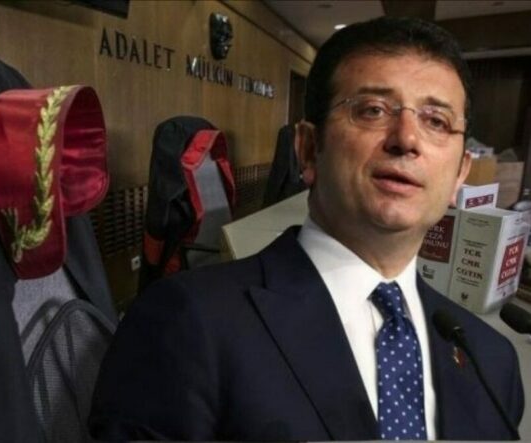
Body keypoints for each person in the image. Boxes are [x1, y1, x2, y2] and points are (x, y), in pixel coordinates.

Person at [89, 16, 524, 441]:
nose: (407, 139)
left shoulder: (492, 361)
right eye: (373, 110)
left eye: (437, 121)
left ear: (460, 174)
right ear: (309, 149)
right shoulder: (185, 322)